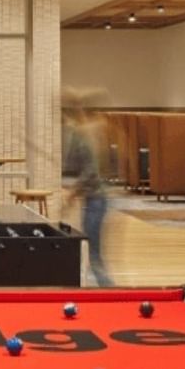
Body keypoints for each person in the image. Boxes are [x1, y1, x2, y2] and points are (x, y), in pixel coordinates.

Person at [61, 88, 114, 287]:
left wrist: (72, 192)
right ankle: (104, 290)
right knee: (93, 253)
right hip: (94, 199)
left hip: (96, 200)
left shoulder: (85, 134)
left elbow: (91, 171)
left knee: (94, 255)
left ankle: (109, 293)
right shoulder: (89, 131)